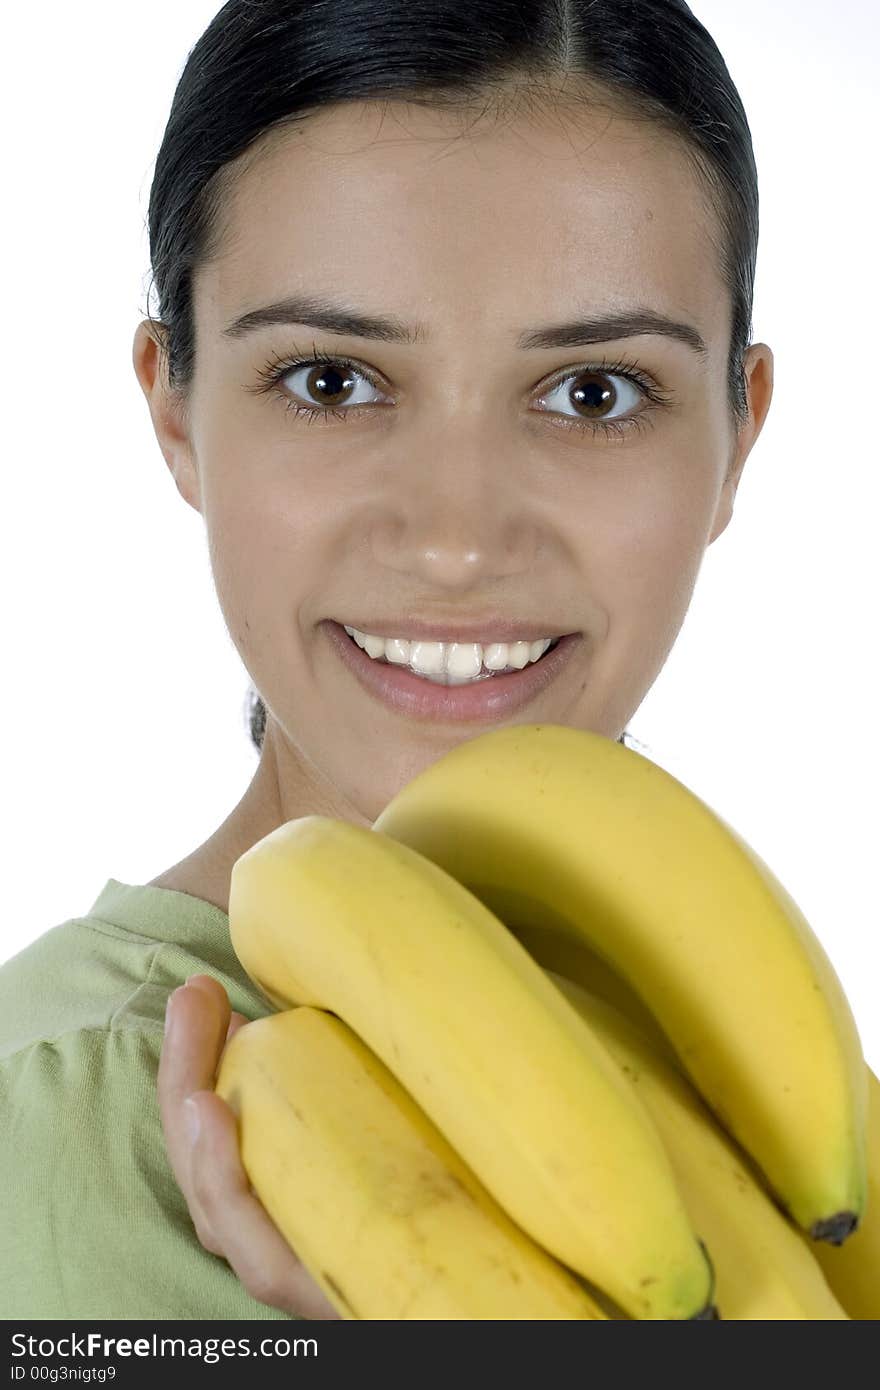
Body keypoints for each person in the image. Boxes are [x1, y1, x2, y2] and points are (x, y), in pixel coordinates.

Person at [0, 0, 774, 1320]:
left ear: (735, 435)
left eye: (594, 391)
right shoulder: (53, 1150)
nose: (458, 541)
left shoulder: (781, 1093)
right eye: (332, 381)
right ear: (174, 409)